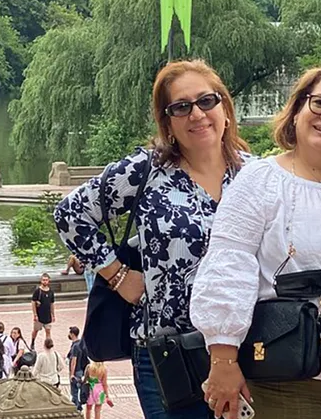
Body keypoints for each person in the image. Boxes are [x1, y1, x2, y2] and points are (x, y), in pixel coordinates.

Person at [192, 60, 321, 419]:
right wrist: (223, 357)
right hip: (286, 370)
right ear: (298, 110)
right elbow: (229, 266)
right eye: (319, 103)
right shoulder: (259, 182)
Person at [54, 59, 251, 419]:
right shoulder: (147, 171)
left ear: (224, 107)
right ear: (168, 121)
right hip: (167, 354)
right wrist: (116, 275)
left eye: (207, 101)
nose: (197, 114)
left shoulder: (255, 176)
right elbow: (70, 214)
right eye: (181, 107)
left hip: (245, 352)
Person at [30, 273, 55, 350]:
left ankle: (48, 345)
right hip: (39, 315)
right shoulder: (38, 291)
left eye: (46, 280)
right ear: (41, 281)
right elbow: (33, 302)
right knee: (35, 330)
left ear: (49, 281)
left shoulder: (51, 292)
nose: (45, 281)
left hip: (47, 315)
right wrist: (35, 314)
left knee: (48, 331)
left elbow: (52, 303)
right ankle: (32, 342)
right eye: (43, 280)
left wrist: (53, 314)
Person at [68, 327, 90, 412]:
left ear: (72, 334)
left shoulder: (75, 347)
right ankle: (78, 405)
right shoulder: (82, 343)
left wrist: (72, 374)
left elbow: (74, 361)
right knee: (78, 389)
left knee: (74, 391)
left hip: (76, 371)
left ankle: (77, 407)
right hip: (81, 370)